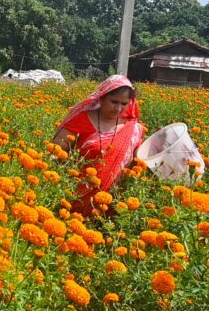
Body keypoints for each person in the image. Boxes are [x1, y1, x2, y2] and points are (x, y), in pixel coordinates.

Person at [51, 75, 144, 216]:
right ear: (101, 98)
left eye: (124, 104)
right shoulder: (82, 119)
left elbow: (138, 161)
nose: (118, 108)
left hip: (110, 206)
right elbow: (55, 150)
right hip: (73, 199)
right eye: (114, 102)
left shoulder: (133, 129)